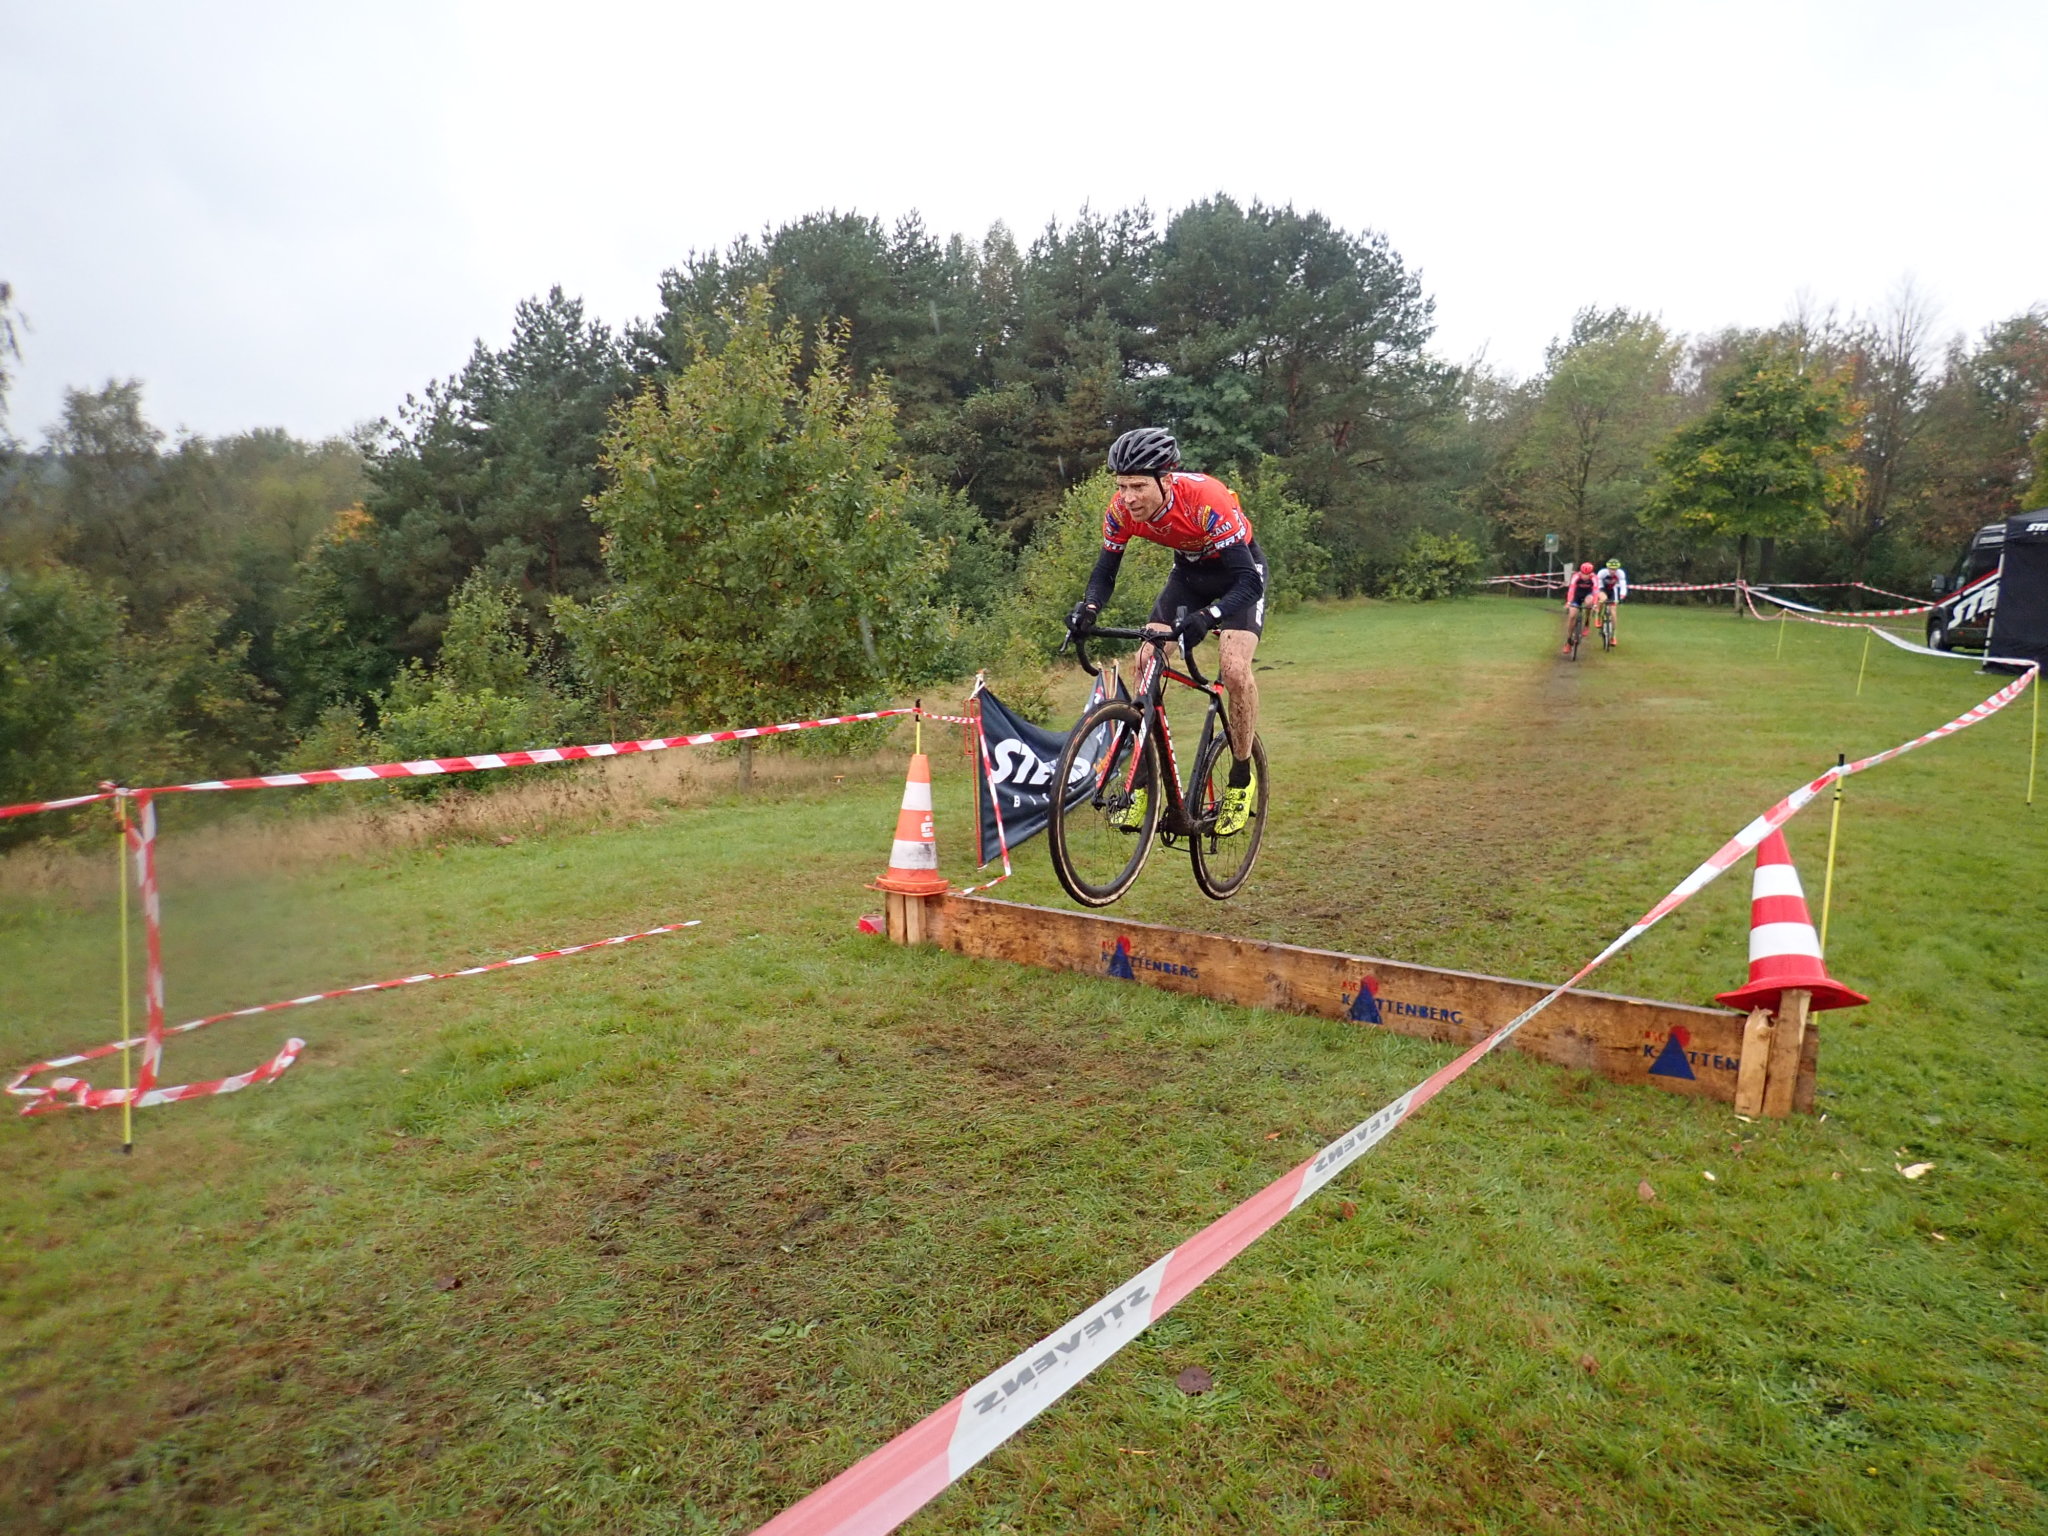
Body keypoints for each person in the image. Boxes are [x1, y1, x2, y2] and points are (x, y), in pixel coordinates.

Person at [1066, 427, 1267, 835]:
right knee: (1146, 658)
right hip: (1188, 577)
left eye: (1138, 485)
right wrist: (1088, 607)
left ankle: (1242, 778)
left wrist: (1209, 618)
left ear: (1166, 479)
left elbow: (1249, 583)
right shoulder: (1121, 511)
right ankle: (1141, 783)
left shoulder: (1205, 499)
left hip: (1238, 576)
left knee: (1233, 669)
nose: (1129, 497)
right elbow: (1105, 572)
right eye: (1122, 486)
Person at [1561, 561, 1601, 653]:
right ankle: (1568, 641)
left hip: (1588, 594)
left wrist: (1595, 604)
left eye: (1587, 574)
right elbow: (1571, 590)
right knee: (1572, 616)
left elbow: (1595, 591)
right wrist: (1569, 602)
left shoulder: (1594, 578)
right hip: (1577, 595)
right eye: (1583, 573)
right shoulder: (1576, 576)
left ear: (1591, 573)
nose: (1585, 576)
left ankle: (1587, 624)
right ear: (1580, 572)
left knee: (1588, 603)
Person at [1596, 558, 1629, 644]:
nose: (1613, 571)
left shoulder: (1620, 574)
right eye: (1611, 569)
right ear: (1607, 568)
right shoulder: (1602, 573)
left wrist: (1621, 596)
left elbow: (1623, 586)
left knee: (1613, 613)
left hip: (1612, 590)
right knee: (1602, 599)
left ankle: (1613, 636)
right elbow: (1598, 585)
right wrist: (1599, 595)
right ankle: (1598, 617)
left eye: (1614, 569)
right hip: (1602, 588)